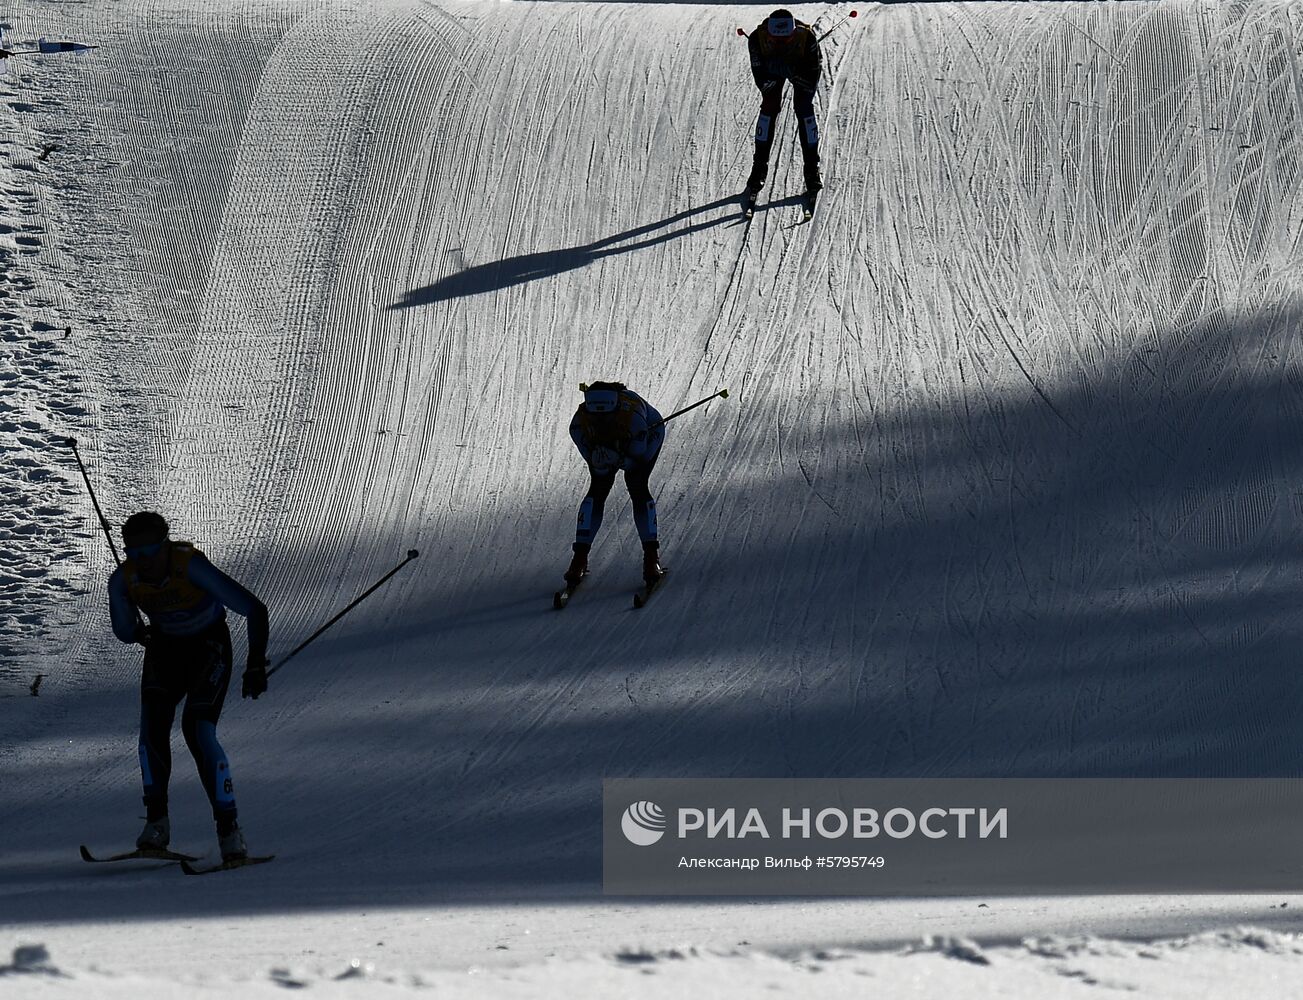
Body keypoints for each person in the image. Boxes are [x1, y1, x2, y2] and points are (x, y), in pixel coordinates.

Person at [107, 511, 269, 862]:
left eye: (149, 552)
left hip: (208, 648)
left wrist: (256, 663)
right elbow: (123, 632)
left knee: (197, 730)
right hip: (165, 650)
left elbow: (254, 609)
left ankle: (229, 831)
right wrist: (134, 623)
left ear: (165, 545)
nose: (143, 562)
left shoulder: (190, 566)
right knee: (151, 729)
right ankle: (156, 825)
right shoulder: (123, 580)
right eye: (133, 555)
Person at [565, 382, 666, 587]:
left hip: (649, 432)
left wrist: (618, 459)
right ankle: (579, 559)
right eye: (597, 416)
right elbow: (595, 464)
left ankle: (651, 557)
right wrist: (602, 461)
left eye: (607, 415)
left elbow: (637, 458)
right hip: (618, 443)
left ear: (617, 407)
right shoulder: (578, 425)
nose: (601, 420)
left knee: (636, 484)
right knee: (598, 488)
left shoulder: (634, 419)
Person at [745, 9, 823, 205]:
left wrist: (794, 73)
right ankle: (759, 166)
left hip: (800, 70)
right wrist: (779, 70)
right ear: (768, 34)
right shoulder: (756, 39)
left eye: (786, 40)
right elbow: (762, 80)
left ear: (793, 33)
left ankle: (812, 168)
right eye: (775, 40)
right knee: (769, 107)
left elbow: (811, 79)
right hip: (779, 71)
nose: (780, 44)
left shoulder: (808, 39)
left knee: (804, 108)